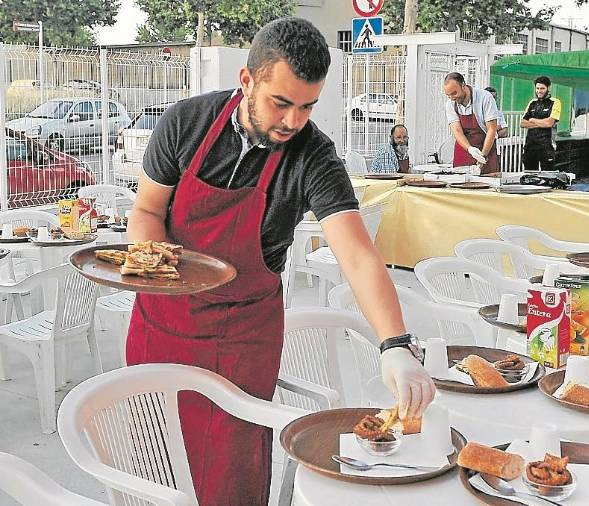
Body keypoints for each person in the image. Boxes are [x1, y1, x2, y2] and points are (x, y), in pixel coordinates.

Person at [127, 17, 434, 506]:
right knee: (153, 467)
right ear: (247, 81)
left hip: (242, 338)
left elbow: (355, 254)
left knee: (231, 473)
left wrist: (395, 344)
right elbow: (146, 210)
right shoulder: (185, 124)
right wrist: (152, 259)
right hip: (161, 324)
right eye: (281, 103)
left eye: (307, 106)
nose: (293, 122)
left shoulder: (313, 156)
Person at [443, 72, 501, 175]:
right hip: (463, 149)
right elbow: (457, 130)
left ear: (463, 85)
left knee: (488, 185)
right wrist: (469, 149)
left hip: (486, 147)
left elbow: (491, 129)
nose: (452, 98)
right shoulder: (450, 104)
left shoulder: (485, 98)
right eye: (448, 95)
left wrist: (483, 156)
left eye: (454, 93)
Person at [520, 76, 562, 171]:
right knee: (529, 176)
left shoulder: (555, 102)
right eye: (537, 88)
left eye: (542, 88)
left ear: (548, 88)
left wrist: (532, 120)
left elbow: (549, 123)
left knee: (548, 177)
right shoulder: (532, 102)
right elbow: (522, 123)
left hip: (546, 146)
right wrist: (542, 123)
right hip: (530, 146)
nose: (539, 91)